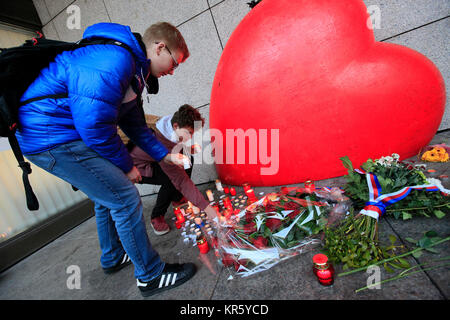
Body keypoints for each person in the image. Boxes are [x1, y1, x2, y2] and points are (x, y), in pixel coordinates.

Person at [15, 22, 208, 297]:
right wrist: (127, 166)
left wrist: (165, 155)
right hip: (51, 136)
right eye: (174, 62)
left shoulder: (134, 70)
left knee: (107, 196)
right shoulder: (114, 60)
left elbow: (136, 126)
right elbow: (93, 126)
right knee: (124, 196)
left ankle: (113, 256)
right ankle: (151, 276)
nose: (172, 70)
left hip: (57, 135)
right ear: (160, 47)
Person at [120, 104, 218, 235]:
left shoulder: (168, 123)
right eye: (189, 133)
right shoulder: (162, 141)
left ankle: (176, 198)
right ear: (176, 126)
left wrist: (188, 148)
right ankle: (157, 216)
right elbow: (181, 180)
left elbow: (176, 144)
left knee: (187, 160)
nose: (189, 138)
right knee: (171, 178)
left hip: (152, 159)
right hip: (135, 168)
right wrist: (207, 208)